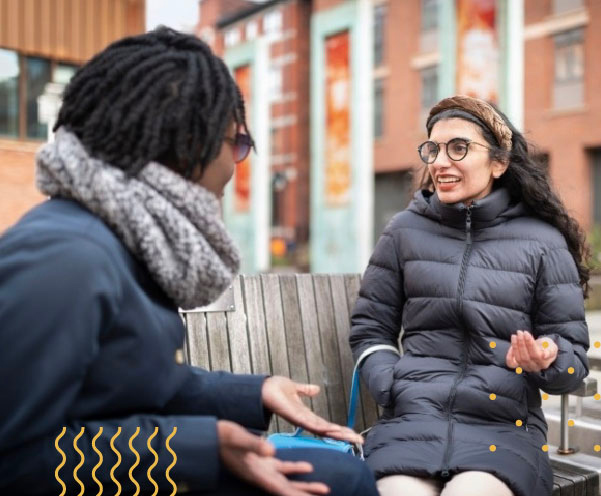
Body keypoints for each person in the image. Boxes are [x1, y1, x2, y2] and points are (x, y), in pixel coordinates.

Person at [0, 27, 379, 496]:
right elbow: (14, 458)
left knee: (340, 476)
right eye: (237, 143)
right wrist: (196, 447)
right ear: (186, 145)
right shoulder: (66, 258)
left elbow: (126, 383)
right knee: (338, 481)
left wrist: (251, 393)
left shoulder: (118, 239)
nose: (236, 166)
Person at [349, 95, 590, 496]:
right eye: (433, 149)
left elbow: (572, 360)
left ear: (499, 162)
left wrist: (547, 356)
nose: (440, 162)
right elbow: (370, 329)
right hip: (413, 421)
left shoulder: (543, 242)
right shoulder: (403, 231)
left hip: (503, 432)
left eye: (458, 148)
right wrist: (393, 384)